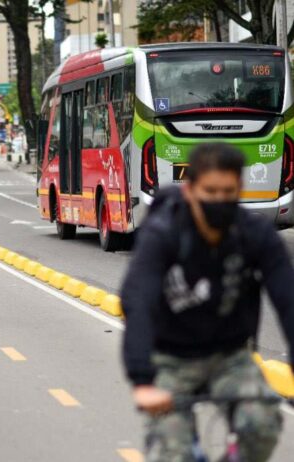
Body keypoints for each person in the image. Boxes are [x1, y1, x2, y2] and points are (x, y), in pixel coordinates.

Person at [121, 143, 294, 462]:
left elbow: (287, 299)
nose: (219, 200)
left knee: (262, 426)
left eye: (228, 191)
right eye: (209, 191)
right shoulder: (163, 233)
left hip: (231, 356)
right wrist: (143, 380)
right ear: (190, 191)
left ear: (239, 189)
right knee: (174, 453)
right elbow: (138, 299)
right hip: (170, 358)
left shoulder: (254, 233)